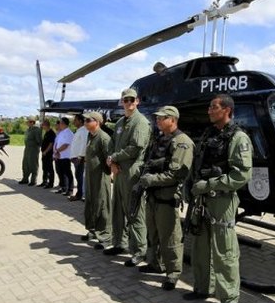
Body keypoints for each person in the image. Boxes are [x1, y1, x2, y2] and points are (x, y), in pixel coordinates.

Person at [183, 94, 253, 303]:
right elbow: (198, 163)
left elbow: (241, 175)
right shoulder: (209, 134)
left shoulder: (238, 138)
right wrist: (191, 186)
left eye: (214, 107)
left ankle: (229, 299)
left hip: (221, 199)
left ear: (227, 110)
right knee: (201, 246)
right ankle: (203, 288)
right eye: (210, 107)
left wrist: (210, 184)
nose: (209, 111)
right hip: (202, 198)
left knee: (224, 251)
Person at [137, 106, 194, 291]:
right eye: (158, 118)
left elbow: (176, 175)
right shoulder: (161, 139)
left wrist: (151, 180)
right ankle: (155, 263)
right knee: (152, 233)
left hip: (167, 198)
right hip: (153, 196)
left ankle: (173, 273)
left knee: (170, 238)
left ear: (173, 119)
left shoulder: (182, 142)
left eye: (162, 118)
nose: (158, 121)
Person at [104, 88, 151, 268]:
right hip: (119, 172)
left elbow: (136, 148)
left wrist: (114, 158)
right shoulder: (120, 123)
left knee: (134, 211)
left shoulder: (140, 122)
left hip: (132, 171)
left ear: (137, 101)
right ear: (122, 102)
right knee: (117, 209)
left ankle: (140, 251)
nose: (129, 102)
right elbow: (111, 145)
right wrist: (112, 161)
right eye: (125, 100)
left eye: (132, 99)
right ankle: (119, 243)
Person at [81, 111, 112, 249]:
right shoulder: (90, 135)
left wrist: (110, 175)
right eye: (85, 120)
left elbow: (109, 158)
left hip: (100, 176)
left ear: (97, 122)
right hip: (90, 175)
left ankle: (105, 236)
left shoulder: (104, 138)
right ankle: (93, 230)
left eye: (88, 120)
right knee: (91, 203)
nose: (85, 122)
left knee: (102, 205)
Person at [69, 114, 88, 201]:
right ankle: (80, 194)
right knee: (78, 176)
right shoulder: (79, 130)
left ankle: (81, 195)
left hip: (79, 158)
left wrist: (80, 156)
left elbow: (84, 144)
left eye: (75, 120)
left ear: (80, 121)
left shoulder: (84, 131)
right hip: (76, 158)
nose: (74, 122)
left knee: (80, 177)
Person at [53, 117, 74, 195]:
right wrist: (56, 151)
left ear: (64, 124)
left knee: (67, 173)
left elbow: (66, 145)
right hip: (59, 156)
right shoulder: (61, 132)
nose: (59, 124)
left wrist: (57, 151)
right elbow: (57, 143)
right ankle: (63, 187)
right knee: (60, 172)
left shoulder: (69, 133)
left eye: (60, 123)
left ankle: (70, 190)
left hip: (65, 156)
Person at [19, 117, 42, 186]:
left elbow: (39, 141)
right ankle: (25, 179)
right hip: (27, 148)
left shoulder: (36, 130)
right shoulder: (28, 130)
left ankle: (33, 180)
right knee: (25, 164)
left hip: (33, 149)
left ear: (32, 122)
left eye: (28, 122)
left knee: (33, 164)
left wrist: (36, 146)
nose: (26, 123)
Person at [39, 119, 56, 188]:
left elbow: (51, 144)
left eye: (42, 125)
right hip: (44, 154)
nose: (42, 126)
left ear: (46, 125)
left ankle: (50, 183)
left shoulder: (51, 133)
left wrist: (46, 151)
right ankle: (44, 181)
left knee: (49, 168)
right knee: (44, 168)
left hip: (48, 154)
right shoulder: (46, 132)